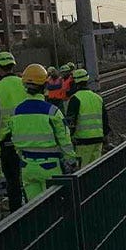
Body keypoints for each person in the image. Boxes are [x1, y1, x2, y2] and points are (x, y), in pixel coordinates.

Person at [8, 63, 77, 200]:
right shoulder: (52, 112)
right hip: (50, 167)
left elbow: (14, 140)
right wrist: (72, 161)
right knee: (54, 209)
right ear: (45, 86)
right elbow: (64, 141)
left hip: (27, 166)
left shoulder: (16, 112)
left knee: (34, 210)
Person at [0, 50, 28, 212]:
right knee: (27, 178)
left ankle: (17, 212)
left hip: (7, 143)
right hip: (28, 137)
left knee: (12, 182)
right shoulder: (24, 83)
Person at [64, 66, 109, 166]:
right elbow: (105, 119)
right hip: (98, 140)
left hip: (82, 141)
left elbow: (71, 122)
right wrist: (105, 136)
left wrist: (69, 138)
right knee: (96, 168)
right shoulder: (97, 97)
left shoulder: (75, 99)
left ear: (75, 83)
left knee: (83, 170)